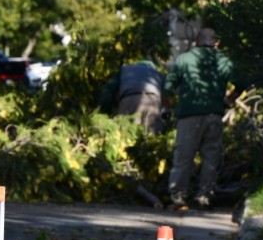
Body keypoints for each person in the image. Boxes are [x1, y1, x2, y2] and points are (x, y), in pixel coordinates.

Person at [163, 27, 234, 210]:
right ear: (216, 42)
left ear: (196, 41)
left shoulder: (184, 59)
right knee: (211, 156)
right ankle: (204, 196)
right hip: (214, 116)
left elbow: (169, 87)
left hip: (189, 116)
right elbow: (241, 82)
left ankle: (178, 196)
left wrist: (168, 107)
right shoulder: (224, 62)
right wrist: (228, 100)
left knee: (184, 156)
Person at [99, 60, 165, 134]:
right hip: (153, 101)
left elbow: (108, 90)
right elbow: (168, 94)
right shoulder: (157, 74)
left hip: (129, 99)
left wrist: (105, 113)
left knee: (126, 134)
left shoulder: (125, 70)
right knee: (151, 137)